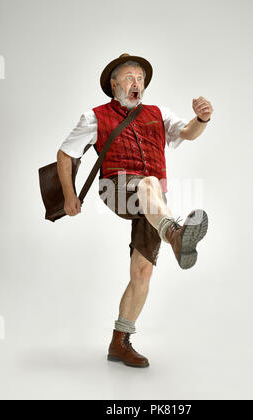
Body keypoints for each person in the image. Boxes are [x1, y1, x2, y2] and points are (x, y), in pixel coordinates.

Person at [57, 53, 213, 368]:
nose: (136, 83)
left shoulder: (159, 113)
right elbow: (65, 153)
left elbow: (187, 133)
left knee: (142, 272)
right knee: (149, 184)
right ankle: (177, 237)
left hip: (155, 204)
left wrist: (203, 119)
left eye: (140, 78)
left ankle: (120, 341)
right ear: (114, 84)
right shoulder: (94, 116)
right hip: (116, 189)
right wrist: (69, 195)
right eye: (129, 77)